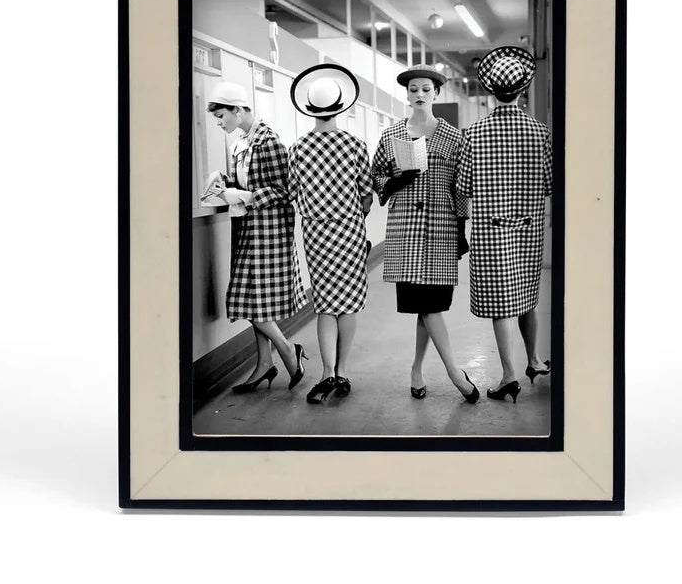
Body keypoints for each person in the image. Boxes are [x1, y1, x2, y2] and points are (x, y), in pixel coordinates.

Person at [370, 64, 479, 403]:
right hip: (406, 231)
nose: (419, 94)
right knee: (427, 306)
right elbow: (376, 177)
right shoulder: (391, 136)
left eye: (426, 89)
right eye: (414, 89)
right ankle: (453, 372)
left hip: (442, 229)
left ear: (437, 93)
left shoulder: (454, 137)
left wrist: (462, 228)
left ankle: (417, 368)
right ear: (407, 94)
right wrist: (395, 181)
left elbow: (462, 188)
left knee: (430, 306)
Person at [456, 47, 552, 403]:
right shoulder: (539, 132)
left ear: (489, 91)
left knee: (500, 303)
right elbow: (549, 183)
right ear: (523, 89)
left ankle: (509, 375)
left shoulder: (474, 133)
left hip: (491, 229)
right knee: (527, 295)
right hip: (528, 228)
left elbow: (463, 187)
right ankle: (534, 360)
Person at [203, 81, 308, 394]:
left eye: (222, 115)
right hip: (251, 227)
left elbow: (288, 190)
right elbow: (248, 181)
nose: (219, 122)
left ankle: (289, 351)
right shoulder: (242, 141)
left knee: (248, 300)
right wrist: (224, 181)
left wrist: (246, 196)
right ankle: (265, 364)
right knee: (255, 301)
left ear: (238, 110)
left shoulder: (267, 139)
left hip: (270, 231)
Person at [288, 65, 374, 404]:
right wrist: (353, 212)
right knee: (348, 304)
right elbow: (366, 193)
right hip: (349, 229)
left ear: (309, 108)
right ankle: (343, 370)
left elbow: (293, 193)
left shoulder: (297, 148)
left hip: (316, 234)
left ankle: (326, 371)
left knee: (325, 305)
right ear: (341, 107)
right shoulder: (354, 145)